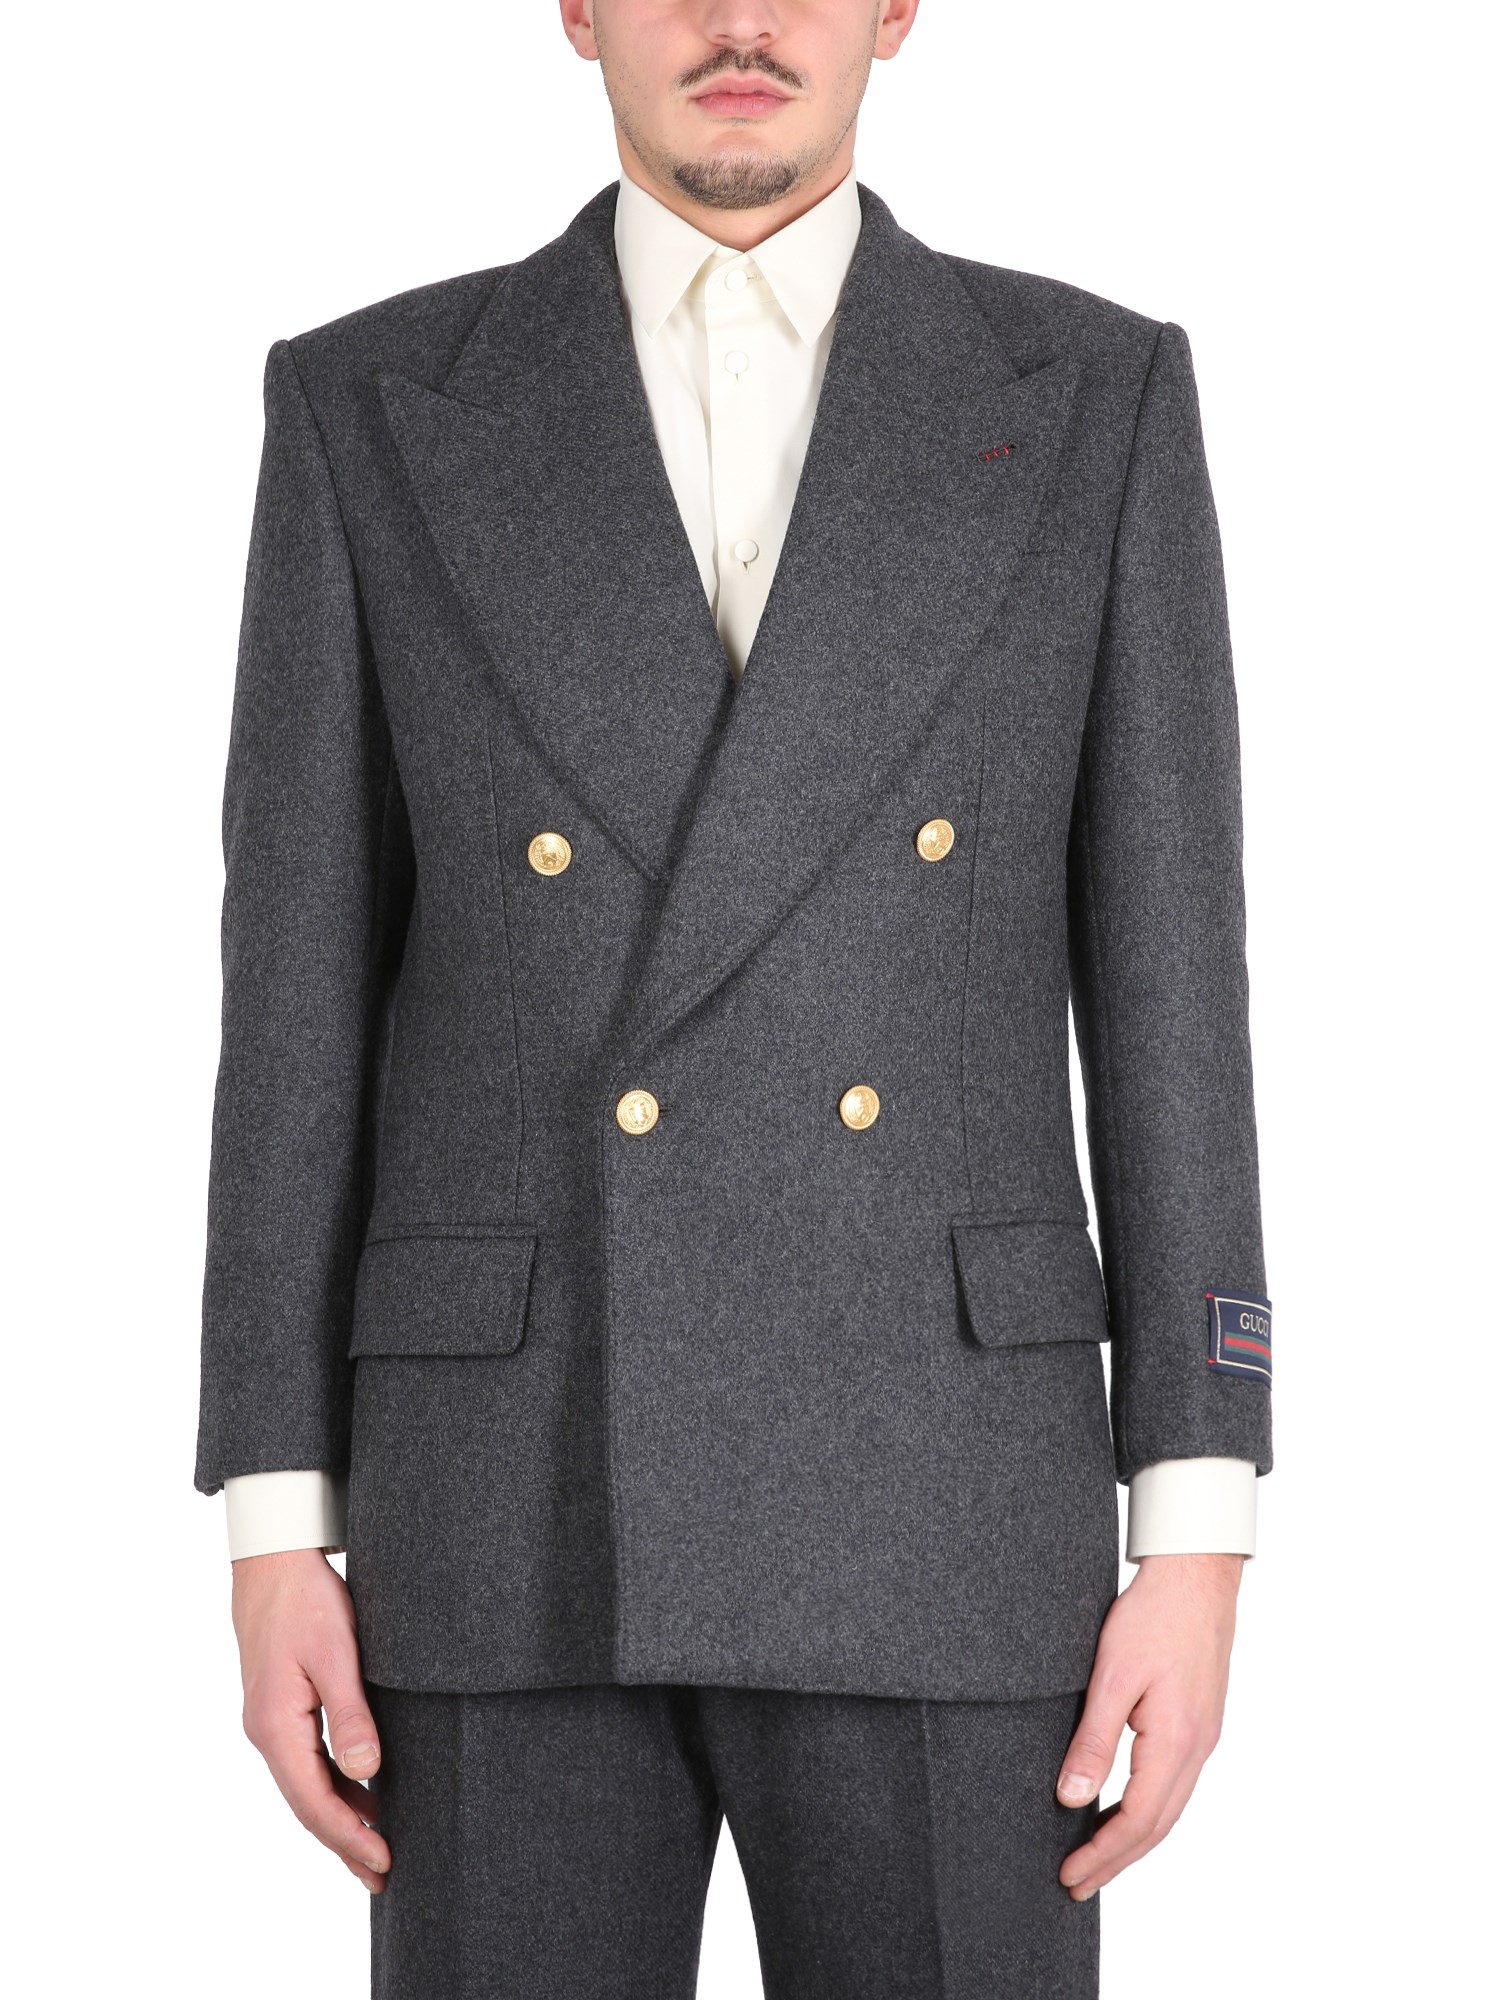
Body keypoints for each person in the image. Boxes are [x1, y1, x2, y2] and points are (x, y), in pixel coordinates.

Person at [196, 4, 1273, 1993]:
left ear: (898, 9)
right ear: (577, 9)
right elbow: (294, 1003)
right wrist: (275, 1516)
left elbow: (1173, 980)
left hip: (948, 1483)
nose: (743, 20)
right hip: (504, 1497)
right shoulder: (372, 402)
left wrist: (1199, 1517)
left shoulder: (1092, 395)